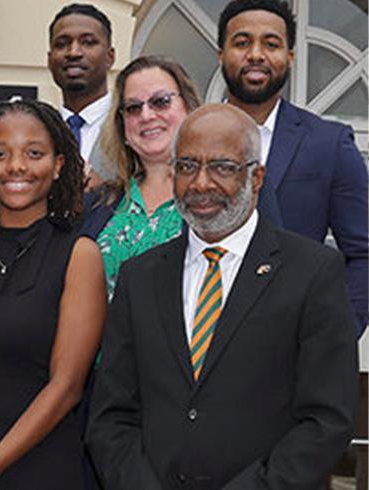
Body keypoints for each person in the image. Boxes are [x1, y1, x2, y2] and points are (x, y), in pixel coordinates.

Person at [87, 104, 358, 490]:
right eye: (187, 166)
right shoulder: (140, 277)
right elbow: (111, 416)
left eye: (222, 167)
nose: (201, 183)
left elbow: (327, 420)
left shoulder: (313, 273)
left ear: (257, 177)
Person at [0, 99, 106, 489]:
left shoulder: (80, 254)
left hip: (39, 467)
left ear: (59, 165)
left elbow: (67, 386)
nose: (16, 167)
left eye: (34, 153)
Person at [216, 0, 368, 335]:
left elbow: (364, 253)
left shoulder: (330, 144)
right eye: (242, 43)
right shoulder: (188, 138)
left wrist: (335, 336)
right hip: (196, 339)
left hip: (290, 348)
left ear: (291, 57)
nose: (256, 54)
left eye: (271, 44)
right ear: (220, 55)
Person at [81, 56, 202, 296]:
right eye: (133, 107)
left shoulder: (220, 196)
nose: (146, 116)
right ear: (122, 126)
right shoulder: (96, 203)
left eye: (161, 102)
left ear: (189, 108)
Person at [47, 3, 116, 186]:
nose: (74, 52)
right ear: (49, 60)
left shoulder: (131, 126)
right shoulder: (39, 129)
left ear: (110, 57)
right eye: (62, 44)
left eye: (88, 42)